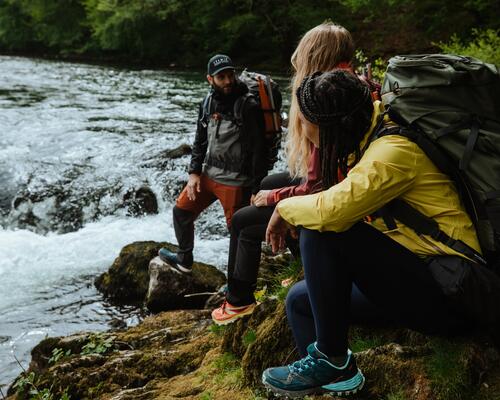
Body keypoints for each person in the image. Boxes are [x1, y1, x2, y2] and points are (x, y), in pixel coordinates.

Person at [261, 70, 482, 397]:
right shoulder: (368, 136)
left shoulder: (391, 153)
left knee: (323, 231)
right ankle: (340, 379)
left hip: (453, 293)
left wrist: (283, 208)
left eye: (304, 120)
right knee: (299, 301)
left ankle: (332, 358)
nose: (299, 127)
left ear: (331, 126)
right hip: (417, 276)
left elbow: (332, 211)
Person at [211, 22, 365, 324]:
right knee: (270, 182)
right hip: (346, 185)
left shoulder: (322, 98)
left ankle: (238, 300)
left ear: (312, 56)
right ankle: (307, 268)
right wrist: (275, 192)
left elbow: (318, 185)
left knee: (242, 221)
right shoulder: (354, 84)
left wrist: (277, 199)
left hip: (338, 198)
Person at [158, 54, 267, 273]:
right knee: (181, 212)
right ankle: (184, 258)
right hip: (208, 175)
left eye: (230, 75)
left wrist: (257, 188)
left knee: (238, 232)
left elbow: (259, 150)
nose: (228, 81)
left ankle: (235, 286)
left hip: (237, 182)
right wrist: (194, 172)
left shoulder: (248, 106)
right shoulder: (207, 103)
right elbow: (200, 139)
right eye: (221, 77)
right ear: (210, 79)